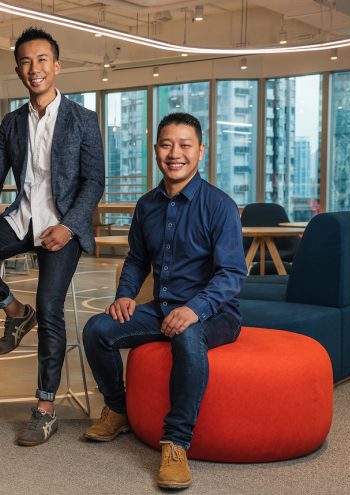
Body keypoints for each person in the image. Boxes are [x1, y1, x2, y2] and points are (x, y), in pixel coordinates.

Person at [0, 27, 104, 446]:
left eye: (41, 60)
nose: (33, 69)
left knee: (51, 307)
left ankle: (45, 407)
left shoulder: (83, 120)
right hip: (21, 220)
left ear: (56, 65)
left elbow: (94, 182)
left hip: (62, 228)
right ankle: (16, 312)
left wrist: (70, 226)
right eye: (25, 61)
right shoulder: (13, 121)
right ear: (18, 69)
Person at [81, 112, 247, 489]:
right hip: (161, 308)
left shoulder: (219, 205)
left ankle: (176, 442)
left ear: (200, 151)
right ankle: (119, 409)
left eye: (185, 145)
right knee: (98, 329)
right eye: (167, 144)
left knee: (188, 335)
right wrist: (124, 294)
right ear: (156, 150)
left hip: (215, 312)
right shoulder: (147, 205)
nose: (176, 153)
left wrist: (194, 310)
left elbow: (232, 274)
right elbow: (138, 259)